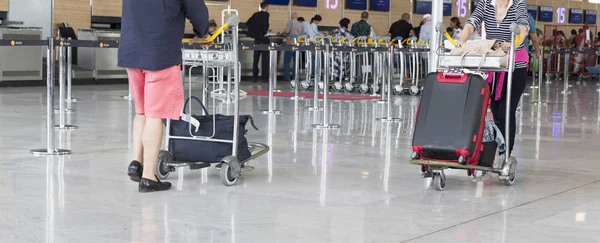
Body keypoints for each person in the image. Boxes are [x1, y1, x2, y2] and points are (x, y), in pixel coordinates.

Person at [118, 0, 209, 192]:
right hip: (160, 53)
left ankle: (136, 161)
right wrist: (202, 31)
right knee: (155, 115)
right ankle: (149, 177)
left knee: (141, 111)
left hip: (131, 50)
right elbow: (197, 12)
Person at [458, 0, 529, 168]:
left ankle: (506, 155)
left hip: (514, 66)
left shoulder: (518, 4)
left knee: (506, 110)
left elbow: (523, 28)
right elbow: (472, 22)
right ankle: (494, 150)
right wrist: (462, 40)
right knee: (495, 111)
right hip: (493, 65)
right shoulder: (485, 3)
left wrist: (513, 44)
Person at [247, 2, 270, 83]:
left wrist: (255, 31)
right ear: (266, 7)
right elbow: (265, 25)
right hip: (263, 39)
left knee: (255, 59)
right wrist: (264, 32)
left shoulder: (255, 14)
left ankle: (254, 77)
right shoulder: (266, 15)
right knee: (265, 60)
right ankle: (264, 78)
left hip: (256, 40)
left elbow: (248, 23)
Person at [282, 13, 303, 81]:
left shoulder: (290, 22)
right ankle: (295, 77)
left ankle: (287, 76)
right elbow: (301, 34)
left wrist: (282, 33)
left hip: (290, 44)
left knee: (286, 61)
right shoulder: (300, 24)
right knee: (296, 62)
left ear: (291, 17)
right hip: (297, 44)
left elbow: (286, 31)